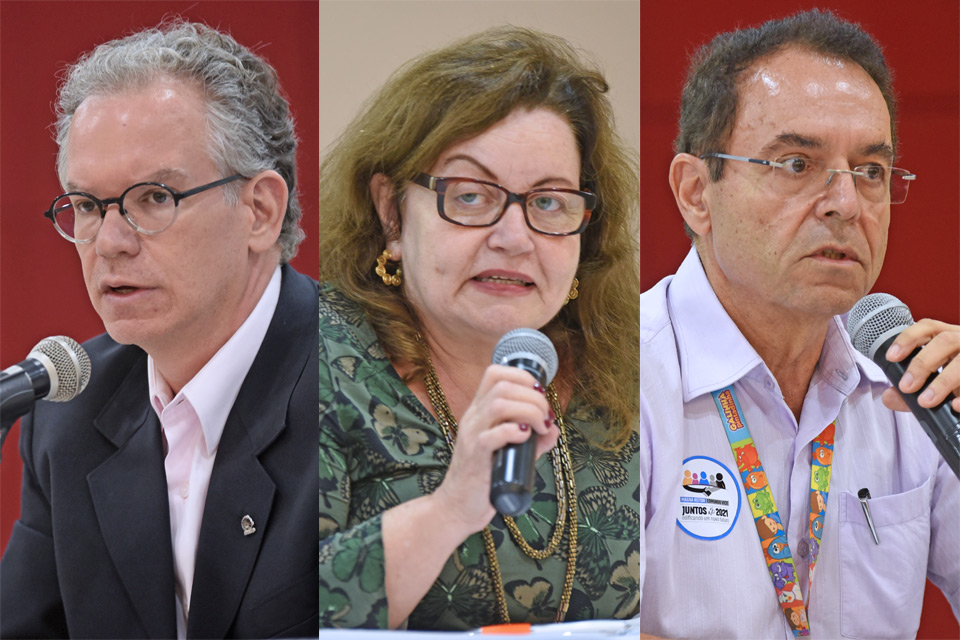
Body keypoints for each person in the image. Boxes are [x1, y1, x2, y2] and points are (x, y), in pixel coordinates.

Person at [637, 10, 959, 638]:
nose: (846, 204)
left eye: (871, 171)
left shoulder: (917, 386)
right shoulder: (618, 376)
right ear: (697, 192)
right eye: (795, 164)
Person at [0, 22, 319, 638]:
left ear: (260, 211)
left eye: (154, 198)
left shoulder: (363, 384)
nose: (111, 243)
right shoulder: (63, 414)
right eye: (88, 206)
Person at [319, 27, 641, 630]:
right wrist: (448, 510)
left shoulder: (632, 362)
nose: (514, 238)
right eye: (470, 196)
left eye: (549, 203)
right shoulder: (318, 361)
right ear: (391, 214)